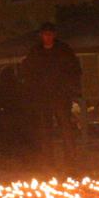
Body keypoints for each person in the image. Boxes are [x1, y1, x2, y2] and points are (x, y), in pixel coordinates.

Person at [22, 23, 82, 169]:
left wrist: (70, 89)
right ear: (41, 36)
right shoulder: (35, 52)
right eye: (45, 34)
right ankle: (49, 162)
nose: (47, 37)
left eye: (50, 34)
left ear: (54, 35)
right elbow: (28, 73)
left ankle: (70, 161)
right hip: (43, 98)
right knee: (45, 130)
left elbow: (75, 70)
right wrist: (33, 92)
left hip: (61, 96)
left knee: (66, 128)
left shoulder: (63, 50)